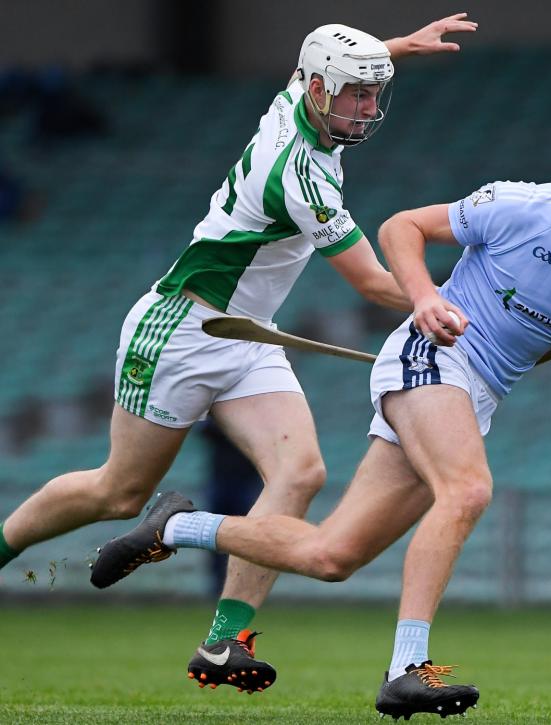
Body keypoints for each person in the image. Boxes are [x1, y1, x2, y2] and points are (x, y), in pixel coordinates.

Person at [89, 118, 551, 718]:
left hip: (476, 393)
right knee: (467, 490)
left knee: (333, 556)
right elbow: (402, 226)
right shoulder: (525, 207)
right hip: (430, 356)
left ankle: (174, 528)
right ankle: (407, 667)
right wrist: (428, 298)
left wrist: (520, 360)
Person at [0, 14, 479, 694]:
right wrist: (475, 302)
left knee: (302, 471)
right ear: (318, 89)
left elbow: (313, 64)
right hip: (180, 328)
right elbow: (376, 282)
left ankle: (223, 644)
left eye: (375, 94)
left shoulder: (297, 98)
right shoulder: (303, 176)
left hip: (248, 331)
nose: (370, 111)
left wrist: (390, 49)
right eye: (357, 95)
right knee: (118, 490)